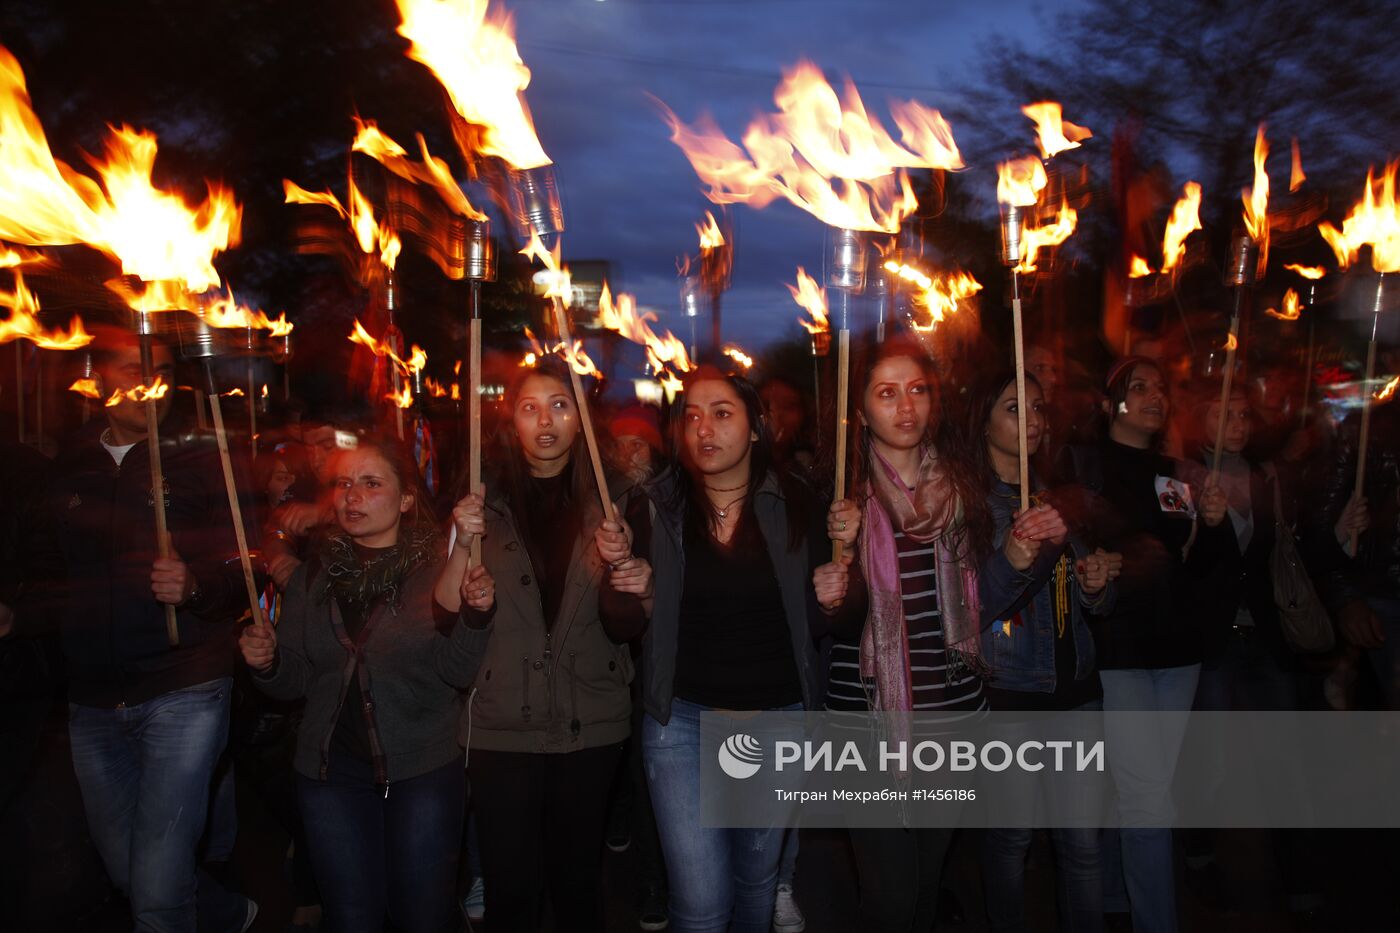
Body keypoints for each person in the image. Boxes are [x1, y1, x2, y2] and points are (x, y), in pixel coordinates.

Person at [597, 365, 856, 933]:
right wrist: (626, 586)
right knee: (700, 905)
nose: (703, 429)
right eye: (690, 415)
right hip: (681, 725)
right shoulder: (652, 510)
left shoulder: (802, 507)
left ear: (756, 428)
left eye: (721, 414)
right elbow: (620, 626)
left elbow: (830, 621)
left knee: (757, 887)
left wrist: (841, 586)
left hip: (777, 721)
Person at [239, 434, 493, 933]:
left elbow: (457, 671)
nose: (352, 495)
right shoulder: (316, 576)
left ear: (404, 499)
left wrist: (476, 618)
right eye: (343, 483)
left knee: (421, 915)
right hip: (331, 776)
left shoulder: (438, 571)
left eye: (371, 483)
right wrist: (265, 662)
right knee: (352, 917)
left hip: (421, 770)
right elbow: (295, 680)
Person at [48, 331, 257, 933]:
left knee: (158, 897)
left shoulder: (202, 458)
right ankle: (228, 915)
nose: (151, 382)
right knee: (132, 876)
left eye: (163, 369)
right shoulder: (69, 465)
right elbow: (46, 569)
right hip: (91, 696)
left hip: (184, 684)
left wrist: (196, 588)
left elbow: (247, 567)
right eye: (132, 366)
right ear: (98, 377)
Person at [437, 358, 648, 933]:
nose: (545, 420)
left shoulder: (619, 502)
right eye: (529, 407)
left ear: (581, 419)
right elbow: (448, 609)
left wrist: (623, 566)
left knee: (577, 881)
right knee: (510, 890)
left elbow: (630, 624)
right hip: (503, 722)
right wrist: (462, 541)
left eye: (559, 405)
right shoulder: (481, 501)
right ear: (511, 421)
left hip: (592, 720)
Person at [819, 336, 1014, 933]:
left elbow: (987, 609)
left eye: (917, 390)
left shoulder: (965, 489)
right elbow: (835, 625)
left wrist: (1021, 558)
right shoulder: (837, 499)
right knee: (890, 897)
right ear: (862, 410)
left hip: (954, 717)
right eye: (886, 393)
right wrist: (841, 566)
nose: (905, 407)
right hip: (868, 724)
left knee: (927, 888)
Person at [1057, 356, 1230, 933]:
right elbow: (1079, 547)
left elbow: (1195, 565)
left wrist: (1214, 522)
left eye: (1161, 387)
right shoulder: (1085, 466)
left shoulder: (1175, 472)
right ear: (1112, 403)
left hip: (1177, 651)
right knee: (1149, 798)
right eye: (1139, 386)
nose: (1155, 395)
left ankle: (1114, 899)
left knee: (1140, 789)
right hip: (1119, 649)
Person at [967, 369, 1119, 933]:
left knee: (1082, 845)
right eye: (1014, 408)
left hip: (1077, 693)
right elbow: (971, 610)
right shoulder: (970, 506)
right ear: (983, 421)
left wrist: (1098, 582)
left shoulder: (1058, 495)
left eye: (1038, 408)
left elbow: (1094, 606)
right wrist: (1014, 552)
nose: (1033, 419)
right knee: (1011, 840)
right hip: (1010, 699)